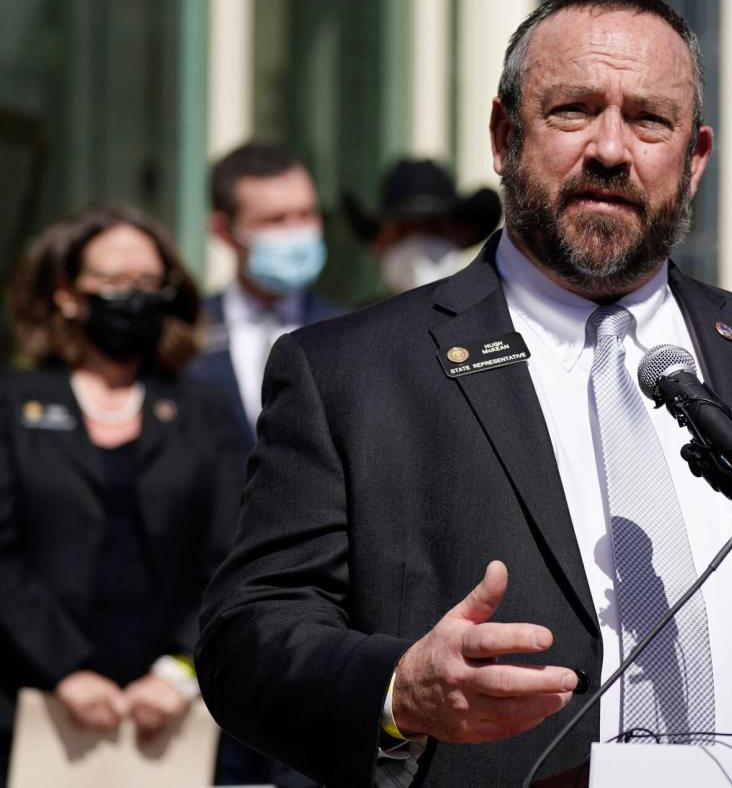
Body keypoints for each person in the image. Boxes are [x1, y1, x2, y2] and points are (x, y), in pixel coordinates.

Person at [197, 0, 732, 787]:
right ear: (503, 135)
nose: (610, 148)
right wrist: (400, 689)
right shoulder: (350, 373)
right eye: (572, 110)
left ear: (694, 157)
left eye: (648, 120)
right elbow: (247, 636)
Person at [0, 205, 246, 784]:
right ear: (67, 295)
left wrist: (179, 668)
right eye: (112, 283)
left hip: (168, 709)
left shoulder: (202, 412)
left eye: (146, 283)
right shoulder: (14, 407)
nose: (131, 298)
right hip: (31, 699)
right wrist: (65, 670)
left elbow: (233, 552)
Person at [187, 142, 342, 446]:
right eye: (274, 220)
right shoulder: (189, 332)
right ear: (223, 231)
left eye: (307, 214)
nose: (297, 232)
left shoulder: (347, 328)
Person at [343, 158, 502, 296]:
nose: (418, 243)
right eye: (404, 229)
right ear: (378, 242)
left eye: (434, 227)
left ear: (462, 233)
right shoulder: (350, 327)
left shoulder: (492, 322)